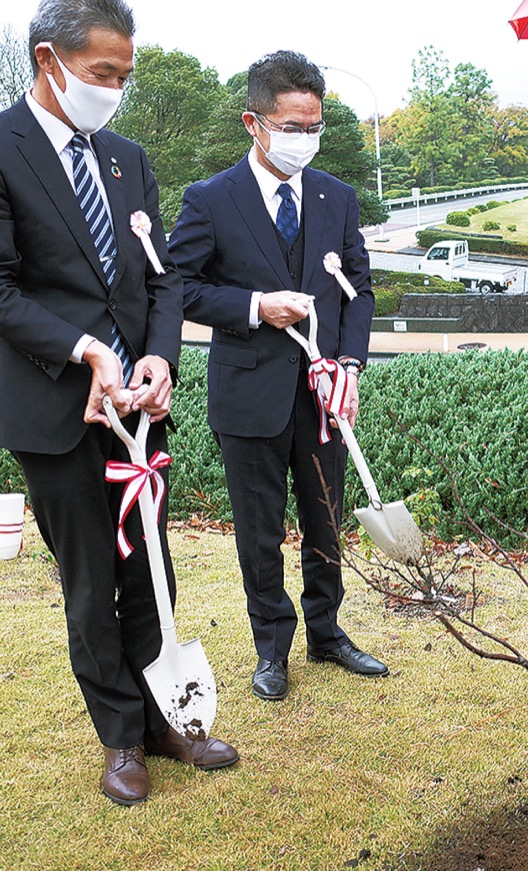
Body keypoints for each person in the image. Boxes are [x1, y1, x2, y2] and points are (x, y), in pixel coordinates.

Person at [0, 0, 238, 806]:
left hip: (138, 408)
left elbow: (161, 277)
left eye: (124, 76)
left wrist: (160, 355)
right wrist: (88, 350)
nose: (115, 90)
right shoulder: (2, 149)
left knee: (150, 566)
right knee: (90, 575)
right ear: (48, 60)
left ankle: (168, 717)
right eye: (103, 74)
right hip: (57, 407)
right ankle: (120, 736)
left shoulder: (127, 160)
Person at [168, 50, 385, 702]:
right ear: (254, 123)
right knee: (259, 532)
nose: (305, 139)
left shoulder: (336, 197)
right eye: (292, 126)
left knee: (325, 520)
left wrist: (348, 362)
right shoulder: (210, 200)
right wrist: (256, 307)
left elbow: (359, 289)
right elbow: (177, 287)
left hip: (323, 398)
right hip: (249, 393)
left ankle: (327, 630)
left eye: (313, 125)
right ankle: (272, 647)